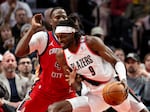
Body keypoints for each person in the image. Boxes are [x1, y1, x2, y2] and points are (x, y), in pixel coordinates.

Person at [48, 19, 149, 112]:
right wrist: (73, 81)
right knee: (54, 109)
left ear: (73, 34)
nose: (60, 40)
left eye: (63, 36)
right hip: (93, 95)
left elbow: (116, 61)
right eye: (58, 36)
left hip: (113, 86)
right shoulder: (61, 56)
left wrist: (123, 80)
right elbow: (77, 87)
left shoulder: (90, 42)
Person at [15, 7, 76, 112]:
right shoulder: (43, 37)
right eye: (57, 17)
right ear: (51, 22)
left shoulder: (76, 41)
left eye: (64, 17)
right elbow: (19, 52)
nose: (61, 19)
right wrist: (32, 29)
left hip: (67, 93)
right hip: (42, 92)